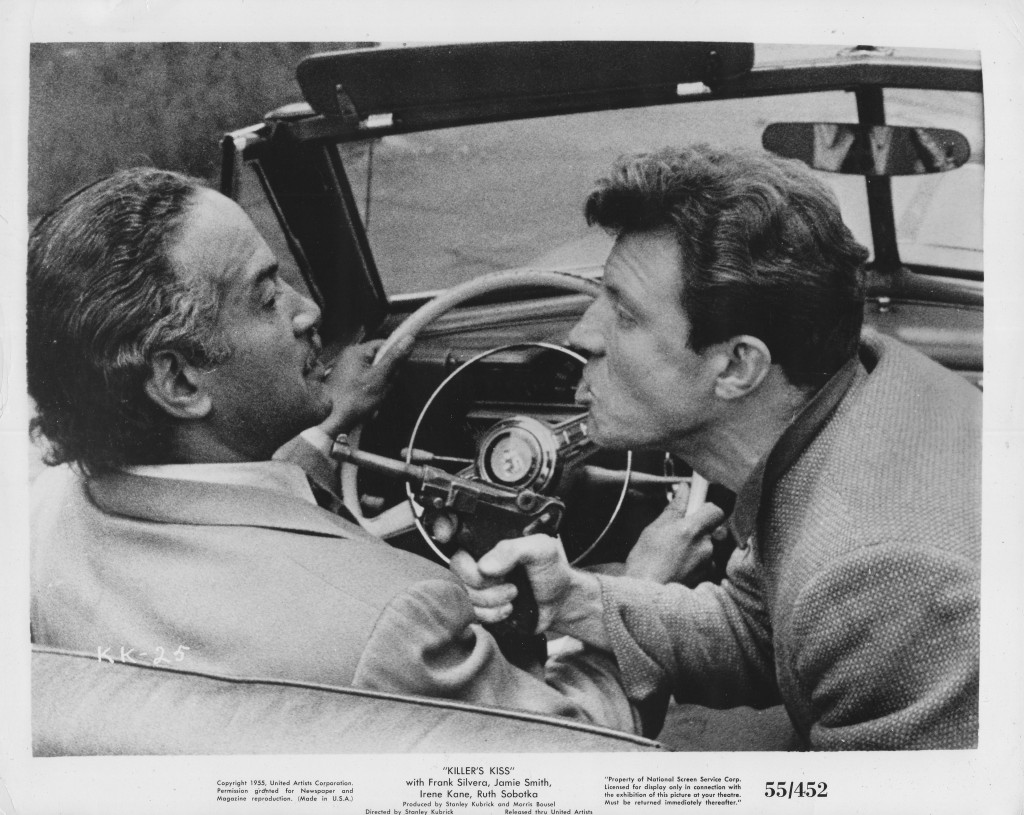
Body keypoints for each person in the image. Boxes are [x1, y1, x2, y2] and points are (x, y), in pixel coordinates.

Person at [27, 167, 636, 732]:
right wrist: (631, 597)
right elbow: (580, 745)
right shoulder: (394, 622)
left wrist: (329, 424)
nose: (309, 309)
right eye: (267, 298)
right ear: (180, 383)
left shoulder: (39, 520)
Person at [452, 144, 981, 750]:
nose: (583, 334)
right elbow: (761, 627)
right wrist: (576, 602)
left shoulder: (878, 573)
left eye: (625, 312)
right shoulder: (855, 398)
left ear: (736, 366)